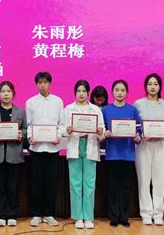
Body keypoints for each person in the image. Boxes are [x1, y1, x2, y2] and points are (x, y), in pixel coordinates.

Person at [64, 80, 104, 229]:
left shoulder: (95, 109)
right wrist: (67, 130)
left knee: (89, 183)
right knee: (75, 183)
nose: (81, 94)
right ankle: (78, 217)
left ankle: (88, 217)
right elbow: (63, 129)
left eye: (84, 91)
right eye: (78, 91)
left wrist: (100, 131)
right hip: (75, 146)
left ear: (88, 93)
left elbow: (102, 130)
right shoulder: (69, 109)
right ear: (75, 92)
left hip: (90, 146)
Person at [0, 81, 26, 227]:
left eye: (8, 91)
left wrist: (22, 134)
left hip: (14, 155)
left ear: (13, 93)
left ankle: (12, 214)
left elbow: (25, 129)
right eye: (3, 91)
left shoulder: (20, 111)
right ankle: (1, 215)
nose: (6, 94)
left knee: (13, 187)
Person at [26, 71, 64, 227]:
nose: (43, 85)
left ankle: (49, 214)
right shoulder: (30, 102)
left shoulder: (58, 101)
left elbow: (61, 124)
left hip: (53, 148)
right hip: (36, 148)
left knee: (51, 182)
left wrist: (58, 136)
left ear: (50, 83)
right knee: (36, 182)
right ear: (36, 84)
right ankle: (36, 214)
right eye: (40, 82)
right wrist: (30, 137)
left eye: (45, 82)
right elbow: (29, 124)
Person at [133, 73, 164, 225]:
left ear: (160, 86)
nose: (153, 87)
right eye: (150, 84)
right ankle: (146, 213)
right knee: (144, 179)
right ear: (145, 86)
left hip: (160, 145)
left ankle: (158, 213)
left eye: (155, 84)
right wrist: (142, 134)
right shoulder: (138, 104)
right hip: (144, 145)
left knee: (159, 179)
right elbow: (136, 125)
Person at [102, 79, 141, 227]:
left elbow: (139, 131)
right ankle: (113, 217)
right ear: (112, 92)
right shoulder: (105, 110)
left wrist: (137, 138)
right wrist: (105, 133)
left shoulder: (132, 110)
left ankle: (124, 217)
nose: (120, 93)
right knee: (112, 187)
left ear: (127, 92)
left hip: (128, 154)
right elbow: (101, 130)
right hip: (112, 154)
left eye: (123, 90)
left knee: (125, 187)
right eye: (117, 90)